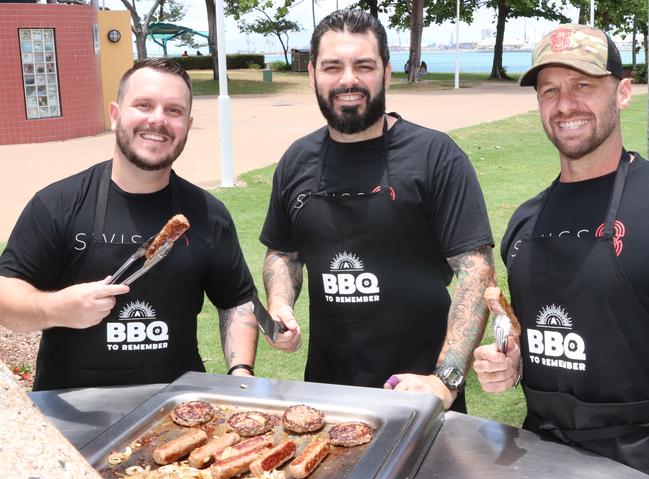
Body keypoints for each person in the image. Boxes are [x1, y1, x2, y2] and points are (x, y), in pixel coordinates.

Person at [260, 9, 494, 411]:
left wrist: (446, 379)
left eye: (363, 65)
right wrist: (281, 303)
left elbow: (476, 271)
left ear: (385, 73)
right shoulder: (296, 160)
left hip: (419, 399)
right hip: (326, 399)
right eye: (333, 66)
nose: (348, 79)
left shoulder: (435, 156)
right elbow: (284, 252)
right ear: (313, 73)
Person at [0, 59, 259, 391]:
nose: (158, 119)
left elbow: (235, 301)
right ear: (115, 114)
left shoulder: (208, 214)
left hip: (178, 412)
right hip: (70, 415)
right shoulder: (57, 205)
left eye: (174, 110)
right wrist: (57, 308)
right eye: (144, 105)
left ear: (187, 125)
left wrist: (240, 371)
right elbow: (6, 295)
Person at [473, 25, 649, 473]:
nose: (565, 104)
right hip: (541, 456)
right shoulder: (525, 222)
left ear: (623, 92)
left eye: (583, 85)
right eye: (549, 90)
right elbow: (543, 336)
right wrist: (511, 365)